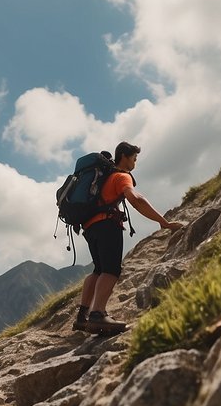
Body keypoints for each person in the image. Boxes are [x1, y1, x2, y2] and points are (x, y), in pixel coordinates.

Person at [74, 141, 184, 335]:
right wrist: (163, 222)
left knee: (98, 270)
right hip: (107, 225)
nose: (135, 162)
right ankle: (97, 313)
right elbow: (136, 199)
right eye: (134, 158)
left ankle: (82, 317)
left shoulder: (104, 178)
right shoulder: (121, 176)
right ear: (124, 156)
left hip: (90, 227)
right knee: (111, 270)